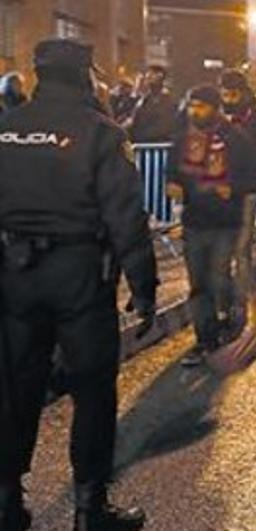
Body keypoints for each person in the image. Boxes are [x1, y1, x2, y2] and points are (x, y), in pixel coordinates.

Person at [0, 39, 158, 531]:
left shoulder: (6, 129)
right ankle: (90, 509)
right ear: (83, 76)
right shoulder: (101, 133)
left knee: (13, 390)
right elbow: (126, 217)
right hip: (81, 279)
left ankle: (7, 504)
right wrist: (144, 285)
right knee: (92, 392)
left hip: (15, 277)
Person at [167, 85, 256, 367]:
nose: (196, 111)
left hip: (225, 222)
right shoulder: (184, 139)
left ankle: (233, 313)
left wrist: (232, 189)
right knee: (198, 284)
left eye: (202, 106)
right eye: (192, 105)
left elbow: (254, 177)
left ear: (215, 108)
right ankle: (205, 339)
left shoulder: (236, 139)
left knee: (218, 277)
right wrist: (172, 183)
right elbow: (173, 170)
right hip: (195, 221)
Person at [218, 71, 256, 317]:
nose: (229, 99)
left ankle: (240, 304)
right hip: (218, 192)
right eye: (225, 94)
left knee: (242, 248)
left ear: (243, 93)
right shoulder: (216, 120)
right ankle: (224, 302)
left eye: (233, 94)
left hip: (248, 190)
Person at [126, 66, 177, 144]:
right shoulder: (144, 99)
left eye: (152, 74)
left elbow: (164, 126)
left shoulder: (167, 100)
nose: (148, 76)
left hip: (158, 144)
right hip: (141, 144)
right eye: (148, 74)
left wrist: (142, 135)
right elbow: (133, 117)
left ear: (160, 76)